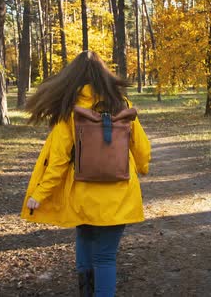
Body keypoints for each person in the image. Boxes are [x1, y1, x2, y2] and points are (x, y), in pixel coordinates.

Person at [20, 51, 151, 296]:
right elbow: (141, 147)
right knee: (105, 257)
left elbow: (58, 159)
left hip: (82, 193)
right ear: (105, 75)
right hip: (119, 195)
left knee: (84, 236)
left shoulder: (70, 109)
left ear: (73, 77)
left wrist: (40, 193)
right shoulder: (122, 104)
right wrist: (143, 167)